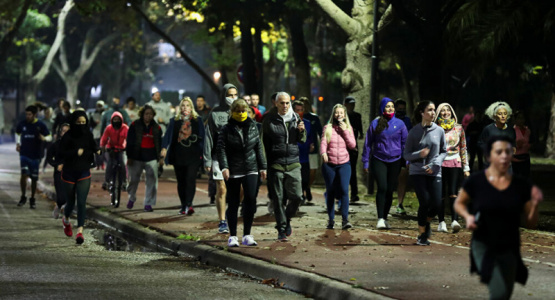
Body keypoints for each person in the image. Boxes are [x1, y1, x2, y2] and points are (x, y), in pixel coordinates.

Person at [454, 136, 543, 300]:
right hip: (484, 244)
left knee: (505, 293)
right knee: (499, 292)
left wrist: (535, 204)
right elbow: (459, 203)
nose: (504, 156)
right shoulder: (477, 181)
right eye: (499, 152)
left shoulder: (521, 185)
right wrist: (468, 217)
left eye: (508, 152)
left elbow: (530, 224)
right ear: (489, 156)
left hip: (509, 245)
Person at [217, 99, 267, 247]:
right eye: (238, 111)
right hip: (233, 168)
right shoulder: (226, 129)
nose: (241, 113)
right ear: (232, 112)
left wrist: (263, 166)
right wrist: (224, 167)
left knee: (251, 199)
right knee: (233, 202)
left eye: (243, 110)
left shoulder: (253, 126)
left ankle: (247, 234)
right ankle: (233, 236)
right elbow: (221, 149)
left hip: (251, 167)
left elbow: (259, 147)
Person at [262, 92, 306, 241]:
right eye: (282, 103)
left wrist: (301, 131)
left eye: (287, 103)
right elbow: (263, 143)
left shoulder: (295, 118)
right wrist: (264, 165)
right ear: (276, 103)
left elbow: (302, 140)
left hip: (293, 162)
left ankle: (286, 219)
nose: (285, 106)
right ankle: (281, 229)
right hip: (276, 164)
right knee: (278, 199)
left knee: (297, 196)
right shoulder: (269, 119)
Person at [403, 101, 447, 246]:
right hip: (418, 172)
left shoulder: (439, 131)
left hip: (435, 171)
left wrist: (436, 164)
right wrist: (419, 154)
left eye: (434, 110)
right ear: (422, 113)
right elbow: (406, 155)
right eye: (430, 110)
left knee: (436, 204)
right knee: (425, 202)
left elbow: (443, 151)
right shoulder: (414, 132)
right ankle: (422, 235)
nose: (433, 113)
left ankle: (426, 222)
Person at [362, 98, 407, 229]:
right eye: (387, 106)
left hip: (395, 160)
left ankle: (385, 217)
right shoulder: (375, 123)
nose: (390, 108)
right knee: (382, 187)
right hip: (379, 159)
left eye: (392, 106)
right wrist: (365, 162)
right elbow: (368, 144)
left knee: (389, 190)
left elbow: (405, 143)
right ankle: (380, 218)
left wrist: (408, 160)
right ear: (382, 108)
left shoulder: (400, 124)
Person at [59, 110, 100, 244]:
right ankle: (66, 219)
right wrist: (75, 152)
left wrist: (98, 150)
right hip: (69, 172)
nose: (81, 125)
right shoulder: (67, 136)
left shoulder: (88, 134)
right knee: (70, 202)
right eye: (78, 122)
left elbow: (94, 146)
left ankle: (80, 232)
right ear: (73, 122)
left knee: (81, 202)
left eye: (84, 122)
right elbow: (61, 153)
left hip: (84, 172)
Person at [204, 83, 238, 233]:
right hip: (218, 157)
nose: (232, 98)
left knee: (239, 190)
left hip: (237, 158)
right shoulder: (215, 113)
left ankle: (232, 211)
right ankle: (222, 221)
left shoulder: (241, 111)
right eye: (229, 95)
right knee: (222, 189)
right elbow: (209, 136)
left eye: (235, 95)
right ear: (223, 96)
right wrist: (207, 159)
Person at [161, 97, 205, 215]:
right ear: (180, 108)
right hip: (178, 154)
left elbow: (203, 137)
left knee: (190, 179)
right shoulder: (174, 121)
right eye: (183, 105)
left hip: (193, 155)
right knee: (181, 182)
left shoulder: (197, 120)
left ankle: (189, 204)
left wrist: (205, 153)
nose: (185, 107)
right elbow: (167, 136)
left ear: (191, 107)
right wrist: (164, 148)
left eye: (187, 105)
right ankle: (183, 204)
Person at [433, 103, 469, 233]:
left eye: (448, 110)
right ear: (438, 113)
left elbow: (463, 148)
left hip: (455, 161)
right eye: (442, 111)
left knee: (454, 192)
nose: (446, 112)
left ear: (452, 112)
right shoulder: (434, 128)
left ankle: (455, 220)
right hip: (439, 163)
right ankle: (441, 222)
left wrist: (466, 168)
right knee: (441, 193)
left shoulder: (459, 128)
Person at [321, 104, 356, 230]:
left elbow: (352, 145)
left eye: (341, 113)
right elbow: (324, 142)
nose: (339, 115)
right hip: (329, 164)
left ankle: (345, 220)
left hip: (344, 163)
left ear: (344, 114)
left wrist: (345, 131)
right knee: (330, 191)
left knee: (344, 190)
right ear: (333, 114)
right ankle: (331, 220)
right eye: (337, 113)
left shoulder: (348, 128)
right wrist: (323, 153)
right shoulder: (327, 127)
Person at [126, 105, 163, 212]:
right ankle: (131, 197)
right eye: (146, 114)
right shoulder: (134, 125)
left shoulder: (157, 128)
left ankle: (148, 203)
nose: (148, 116)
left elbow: (159, 144)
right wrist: (129, 156)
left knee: (152, 180)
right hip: (136, 157)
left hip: (151, 157)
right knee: (133, 180)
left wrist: (160, 158)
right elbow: (130, 142)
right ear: (142, 114)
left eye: (151, 114)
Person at [15, 105, 52, 208]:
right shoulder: (22, 124)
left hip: (36, 155)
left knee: (34, 178)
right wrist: (18, 144)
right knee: (24, 174)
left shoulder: (40, 125)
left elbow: (49, 137)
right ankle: (23, 196)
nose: (27, 116)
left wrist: (43, 138)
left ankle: (32, 198)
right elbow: (17, 133)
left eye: (29, 114)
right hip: (24, 154)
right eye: (26, 114)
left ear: (35, 115)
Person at [100, 111, 129, 206]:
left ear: (121, 120)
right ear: (112, 120)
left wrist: (129, 147)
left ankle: (124, 182)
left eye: (118, 119)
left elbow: (129, 139)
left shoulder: (125, 128)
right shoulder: (109, 128)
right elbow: (104, 139)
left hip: (121, 148)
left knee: (122, 163)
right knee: (110, 163)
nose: (116, 121)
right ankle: (107, 181)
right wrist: (103, 147)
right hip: (111, 148)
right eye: (114, 119)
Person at [299, 96, 323, 202]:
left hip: (313, 149)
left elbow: (321, 133)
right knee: (302, 172)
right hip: (301, 150)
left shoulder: (314, 118)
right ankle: (302, 191)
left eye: (305, 104)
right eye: (301, 105)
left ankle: (307, 187)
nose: (304, 107)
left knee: (312, 171)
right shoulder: (296, 118)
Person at [479, 101, 516, 168]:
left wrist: (513, 148)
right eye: (500, 114)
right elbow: (481, 143)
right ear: (494, 116)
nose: (503, 116)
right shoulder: (488, 129)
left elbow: (513, 143)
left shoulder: (511, 130)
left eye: (505, 114)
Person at [46, 123, 70, 218]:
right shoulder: (56, 145)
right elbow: (49, 157)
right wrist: (56, 165)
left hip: (71, 172)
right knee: (60, 196)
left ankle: (65, 209)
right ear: (60, 133)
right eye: (64, 131)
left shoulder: (75, 145)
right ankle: (59, 205)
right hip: (59, 172)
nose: (66, 133)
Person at [394, 99, 412, 214]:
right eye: (399, 109)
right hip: (390, 154)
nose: (401, 111)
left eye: (403, 109)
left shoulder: (407, 121)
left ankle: (400, 203)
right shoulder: (390, 120)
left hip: (404, 154)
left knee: (403, 178)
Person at [292, 100, 313, 204]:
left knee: (305, 178)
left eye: (301, 110)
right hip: (293, 156)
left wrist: (312, 144)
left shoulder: (307, 123)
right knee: (296, 179)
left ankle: (306, 190)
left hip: (304, 155)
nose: (299, 112)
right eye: (297, 110)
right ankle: (300, 196)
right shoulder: (289, 122)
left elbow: (310, 137)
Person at [344, 96, 363, 203]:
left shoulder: (357, 116)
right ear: (345, 104)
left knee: (352, 170)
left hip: (353, 147)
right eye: (350, 104)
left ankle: (354, 194)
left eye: (353, 104)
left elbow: (360, 132)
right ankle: (342, 193)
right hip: (342, 147)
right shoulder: (341, 116)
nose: (352, 106)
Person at [513, 111, 532, 178]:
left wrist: (529, 146)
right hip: (515, 159)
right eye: (519, 118)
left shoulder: (528, 131)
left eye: (522, 118)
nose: (521, 120)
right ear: (515, 119)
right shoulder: (512, 130)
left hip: (525, 158)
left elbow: (530, 142)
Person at [89, 100, 105, 170]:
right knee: (96, 150)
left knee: (102, 150)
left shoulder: (105, 114)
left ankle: (102, 164)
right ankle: (97, 164)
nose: (99, 107)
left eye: (100, 106)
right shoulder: (93, 114)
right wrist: (95, 123)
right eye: (98, 106)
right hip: (95, 134)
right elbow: (90, 125)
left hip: (104, 135)